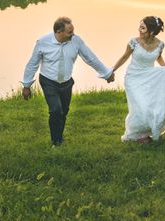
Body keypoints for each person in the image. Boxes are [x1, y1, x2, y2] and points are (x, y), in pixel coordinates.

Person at [21, 17, 114, 146]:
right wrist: (26, 85)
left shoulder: (76, 41)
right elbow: (33, 64)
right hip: (48, 81)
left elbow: (90, 58)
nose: (73, 34)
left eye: (73, 31)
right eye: (69, 32)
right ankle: (56, 142)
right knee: (55, 110)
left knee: (64, 111)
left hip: (66, 82)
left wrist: (106, 74)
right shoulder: (42, 42)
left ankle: (59, 137)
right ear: (59, 32)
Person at [111, 16, 165, 143]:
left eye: (143, 28)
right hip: (133, 77)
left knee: (151, 106)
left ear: (151, 31)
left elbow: (159, 58)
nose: (139, 30)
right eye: (140, 26)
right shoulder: (133, 42)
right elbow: (124, 57)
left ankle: (148, 131)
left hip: (149, 77)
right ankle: (136, 134)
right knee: (140, 106)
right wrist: (112, 70)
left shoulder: (160, 44)